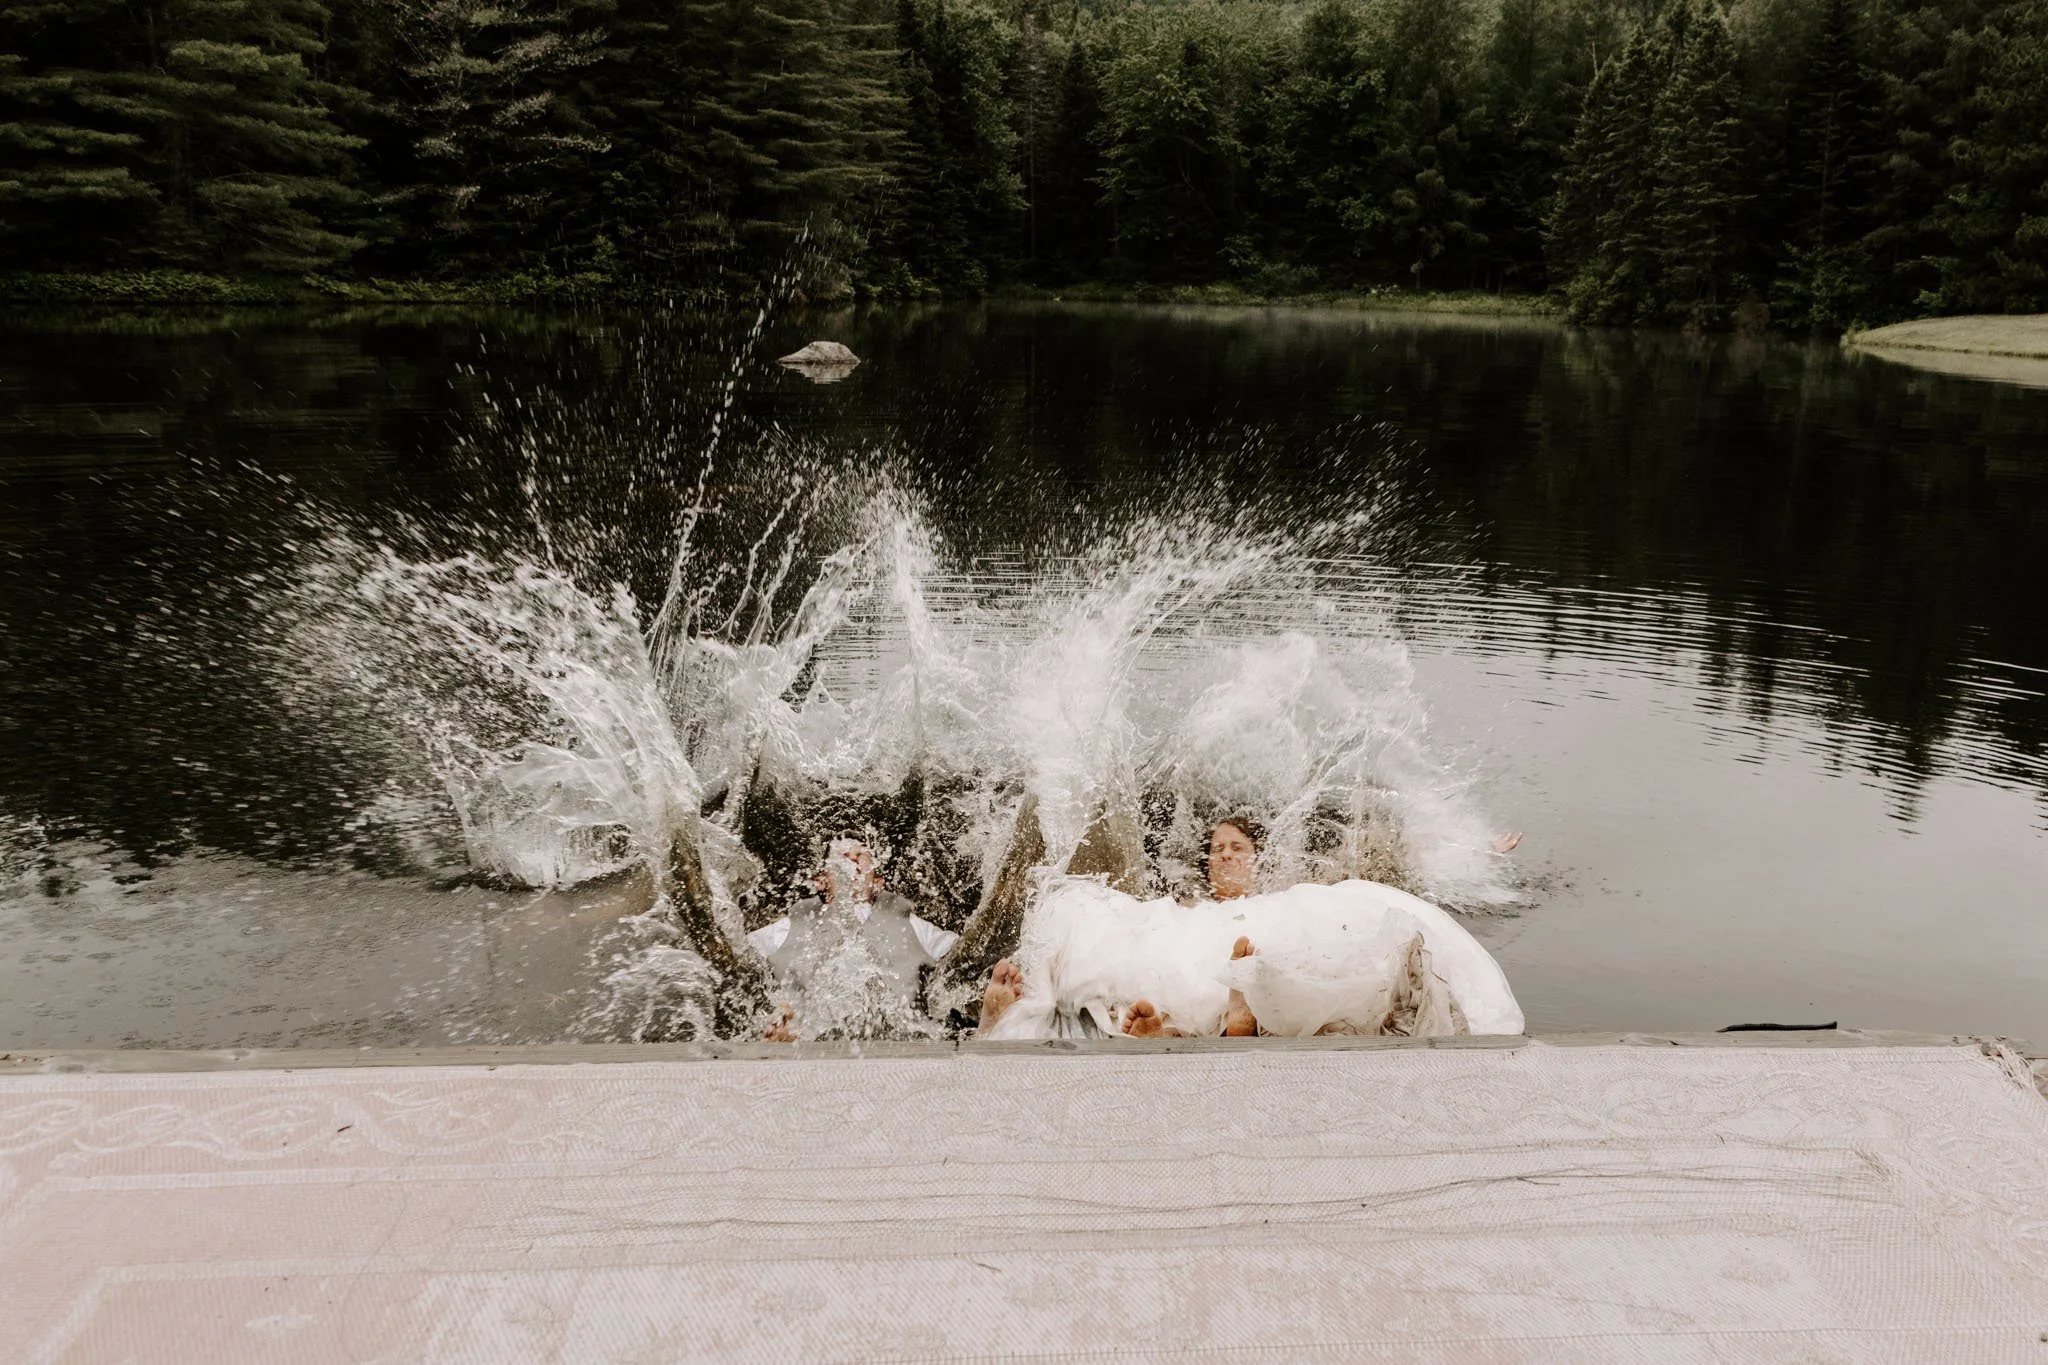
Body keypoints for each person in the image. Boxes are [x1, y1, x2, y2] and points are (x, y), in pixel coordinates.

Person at [976, 815, 1266, 1036]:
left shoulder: (1273, 908)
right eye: (1217, 849)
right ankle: (1164, 1030)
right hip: (1173, 972)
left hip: (1230, 964)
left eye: (1236, 847)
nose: (1225, 854)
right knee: (1076, 909)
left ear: (1257, 860)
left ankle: (1236, 1018)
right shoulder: (1186, 909)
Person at [756, 838, 959, 1041]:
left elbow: (962, 957)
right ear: (821, 881)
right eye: (842, 855)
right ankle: (787, 1034)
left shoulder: (909, 922)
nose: (852, 858)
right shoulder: (792, 924)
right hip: (811, 1040)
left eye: (862, 855)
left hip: (902, 1037)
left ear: (878, 882)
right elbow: (740, 956)